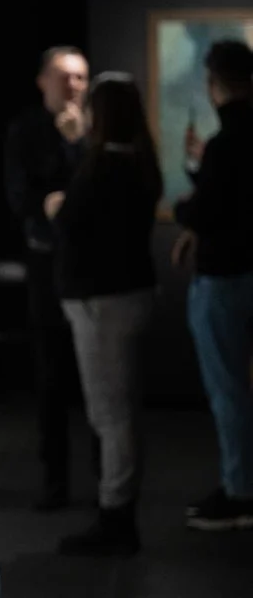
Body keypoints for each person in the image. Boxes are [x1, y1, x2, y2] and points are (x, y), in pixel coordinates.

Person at [45, 73, 162, 556]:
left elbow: (72, 219)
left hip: (103, 303)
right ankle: (117, 509)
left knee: (110, 414)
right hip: (128, 295)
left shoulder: (105, 168)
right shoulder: (139, 162)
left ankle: (116, 517)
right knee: (119, 411)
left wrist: (57, 206)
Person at [4, 46, 93, 511]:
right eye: (64, 77)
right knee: (52, 378)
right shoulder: (26, 130)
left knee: (98, 382)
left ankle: (106, 484)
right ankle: (55, 481)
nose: (73, 86)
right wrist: (49, 203)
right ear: (43, 81)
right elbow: (21, 198)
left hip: (93, 270)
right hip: (47, 267)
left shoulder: (96, 132)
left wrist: (79, 146)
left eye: (80, 77)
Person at [174, 40, 253, 531]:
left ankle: (241, 491)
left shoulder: (226, 143)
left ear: (212, 81)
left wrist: (186, 210)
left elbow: (209, 209)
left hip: (224, 279)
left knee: (228, 390)